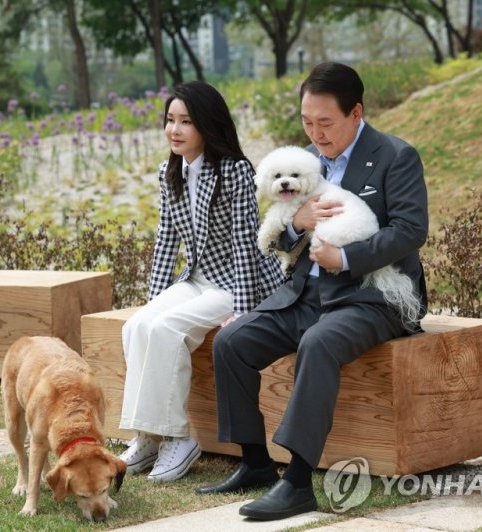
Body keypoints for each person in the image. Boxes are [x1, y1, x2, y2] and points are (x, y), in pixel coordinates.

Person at [196, 62, 429, 520]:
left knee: (317, 343)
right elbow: (283, 234)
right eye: (307, 121)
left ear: (356, 112)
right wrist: (295, 227)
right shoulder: (302, 160)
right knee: (232, 341)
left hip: (371, 297)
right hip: (306, 295)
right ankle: (256, 464)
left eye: (326, 122)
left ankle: (299, 483)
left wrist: (344, 259)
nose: (316, 133)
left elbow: (410, 230)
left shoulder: (395, 156)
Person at [118, 81, 285, 483]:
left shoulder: (234, 170)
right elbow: (166, 239)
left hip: (236, 284)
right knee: (138, 325)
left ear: (207, 126)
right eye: (170, 120)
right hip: (196, 278)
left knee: (167, 328)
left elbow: (247, 244)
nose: (174, 130)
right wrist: (154, 299)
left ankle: (179, 438)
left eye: (186, 122)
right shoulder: (169, 171)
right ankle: (149, 435)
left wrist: (244, 311)